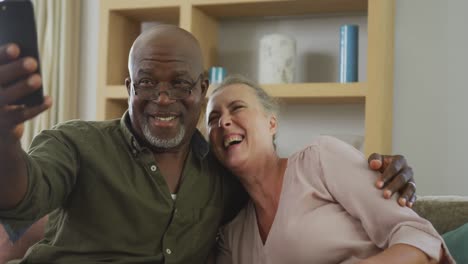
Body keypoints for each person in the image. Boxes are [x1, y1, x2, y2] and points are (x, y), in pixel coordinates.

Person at [0, 25, 416, 263]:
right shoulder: (76, 143)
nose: (162, 99)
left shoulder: (227, 178)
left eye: (179, 84)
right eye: (146, 82)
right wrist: (4, 138)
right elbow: (24, 197)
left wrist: (384, 173)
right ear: (128, 86)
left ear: (200, 89)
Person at [205, 75, 454, 264]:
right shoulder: (232, 235)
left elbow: (420, 237)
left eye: (237, 108)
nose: (223, 121)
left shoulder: (320, 159)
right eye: (212, 119)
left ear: (271, 123)